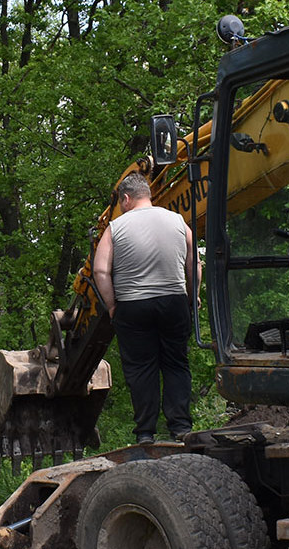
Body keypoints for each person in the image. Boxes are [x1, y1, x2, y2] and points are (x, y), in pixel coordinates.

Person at [93, 172, 195, 444]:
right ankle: (181, 427)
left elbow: (100, 270)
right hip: (173, 302)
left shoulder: (115, 227)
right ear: (147, 195)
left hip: (133, 306)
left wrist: (113, 305)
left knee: (141, 368)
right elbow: (193, 262)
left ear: (125, 199)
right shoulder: (178, 221)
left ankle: (146, 433)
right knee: (176, 363)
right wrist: (190, 296)